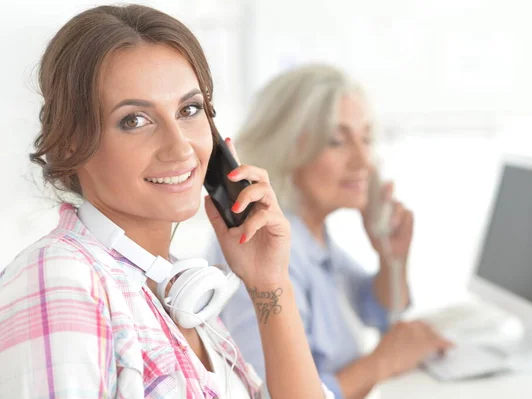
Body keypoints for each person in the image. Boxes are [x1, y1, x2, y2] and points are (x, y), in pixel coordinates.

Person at [0, 6, 333, 398]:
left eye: (188, 110)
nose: (180, 148)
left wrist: (270, 283)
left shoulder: (179, 295)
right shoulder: (62, 277)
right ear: (73, 141)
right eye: (135, 120)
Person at [208, 64, 453, 399]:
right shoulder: (264, 243)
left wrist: (391, 259)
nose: (364, 159)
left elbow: (378, 311)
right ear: (287, 150)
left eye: (366, 139)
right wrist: (381, 362)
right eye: (338, 141)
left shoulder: (314, 236)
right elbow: (266, 391)